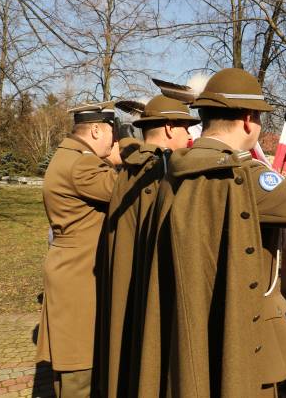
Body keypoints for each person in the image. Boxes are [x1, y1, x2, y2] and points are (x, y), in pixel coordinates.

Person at [143, 68, 286, 397]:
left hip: (189, 329)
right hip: (244, 341)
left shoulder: (173, 169)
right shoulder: (247, 179)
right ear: (248, 120)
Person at [100, 95, 199, 398]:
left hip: (127, 292)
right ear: (169, 128)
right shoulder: (158, 172)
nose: (189, 136)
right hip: (150, 299)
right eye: (186, 128)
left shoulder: (131, 168)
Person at [37, 101, 118, 398]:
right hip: (79, 276)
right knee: (79, 371)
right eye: (113, 132)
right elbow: (123, 189)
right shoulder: (82, 163)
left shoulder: (70, 156)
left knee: (73, 367)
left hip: (69, 269)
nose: (114, 140)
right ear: (96, 129)